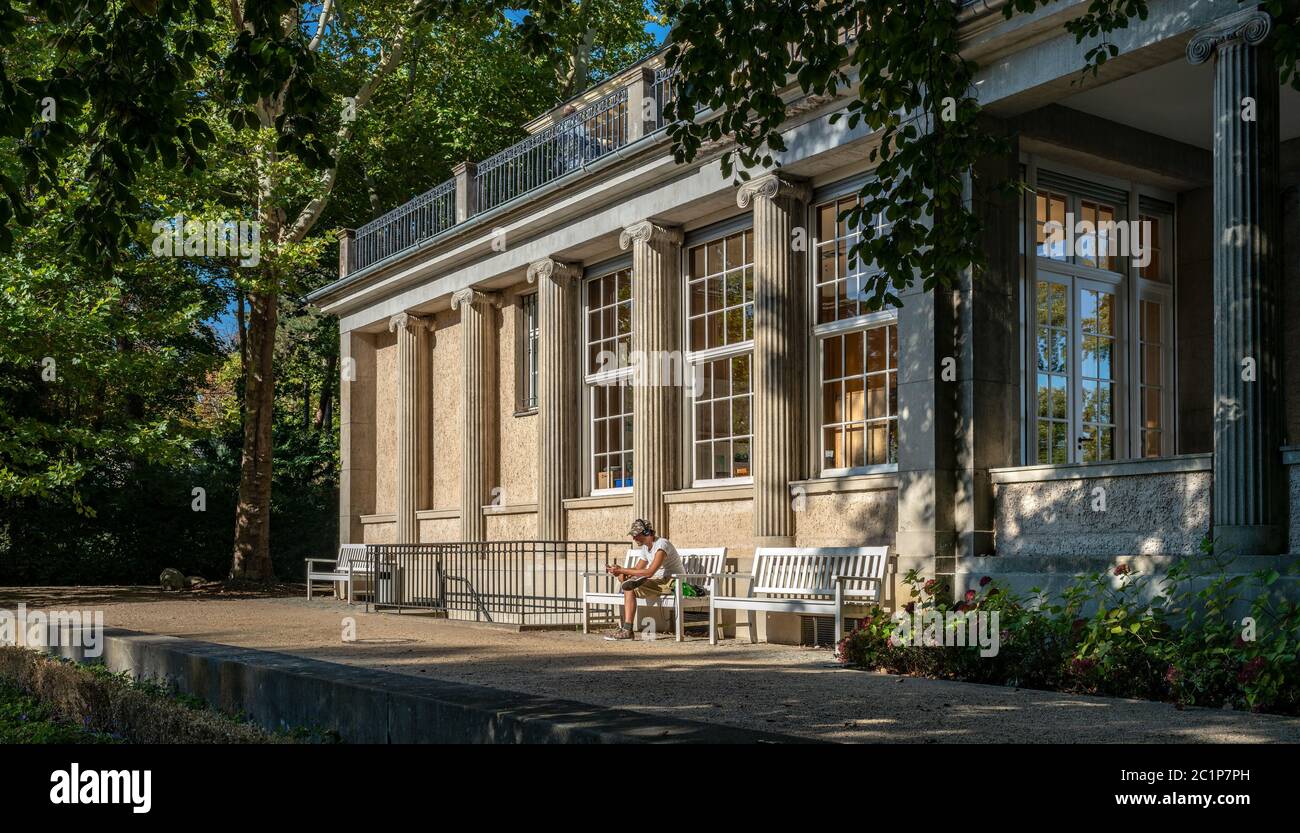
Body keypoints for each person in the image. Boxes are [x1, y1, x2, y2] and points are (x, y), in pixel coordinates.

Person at [603, 518, 684, 640]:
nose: (634, 539)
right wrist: (619, 571)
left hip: (672, 582)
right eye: (633, 536)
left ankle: (627, 630)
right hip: (659, 581)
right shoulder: (646, 548)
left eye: (636, 535)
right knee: (628, 585)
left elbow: (650, 572)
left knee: (628, 584)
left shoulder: (661, 545)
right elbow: (637, 568)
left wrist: (622, 571)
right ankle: (627, 629)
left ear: (647, 533)